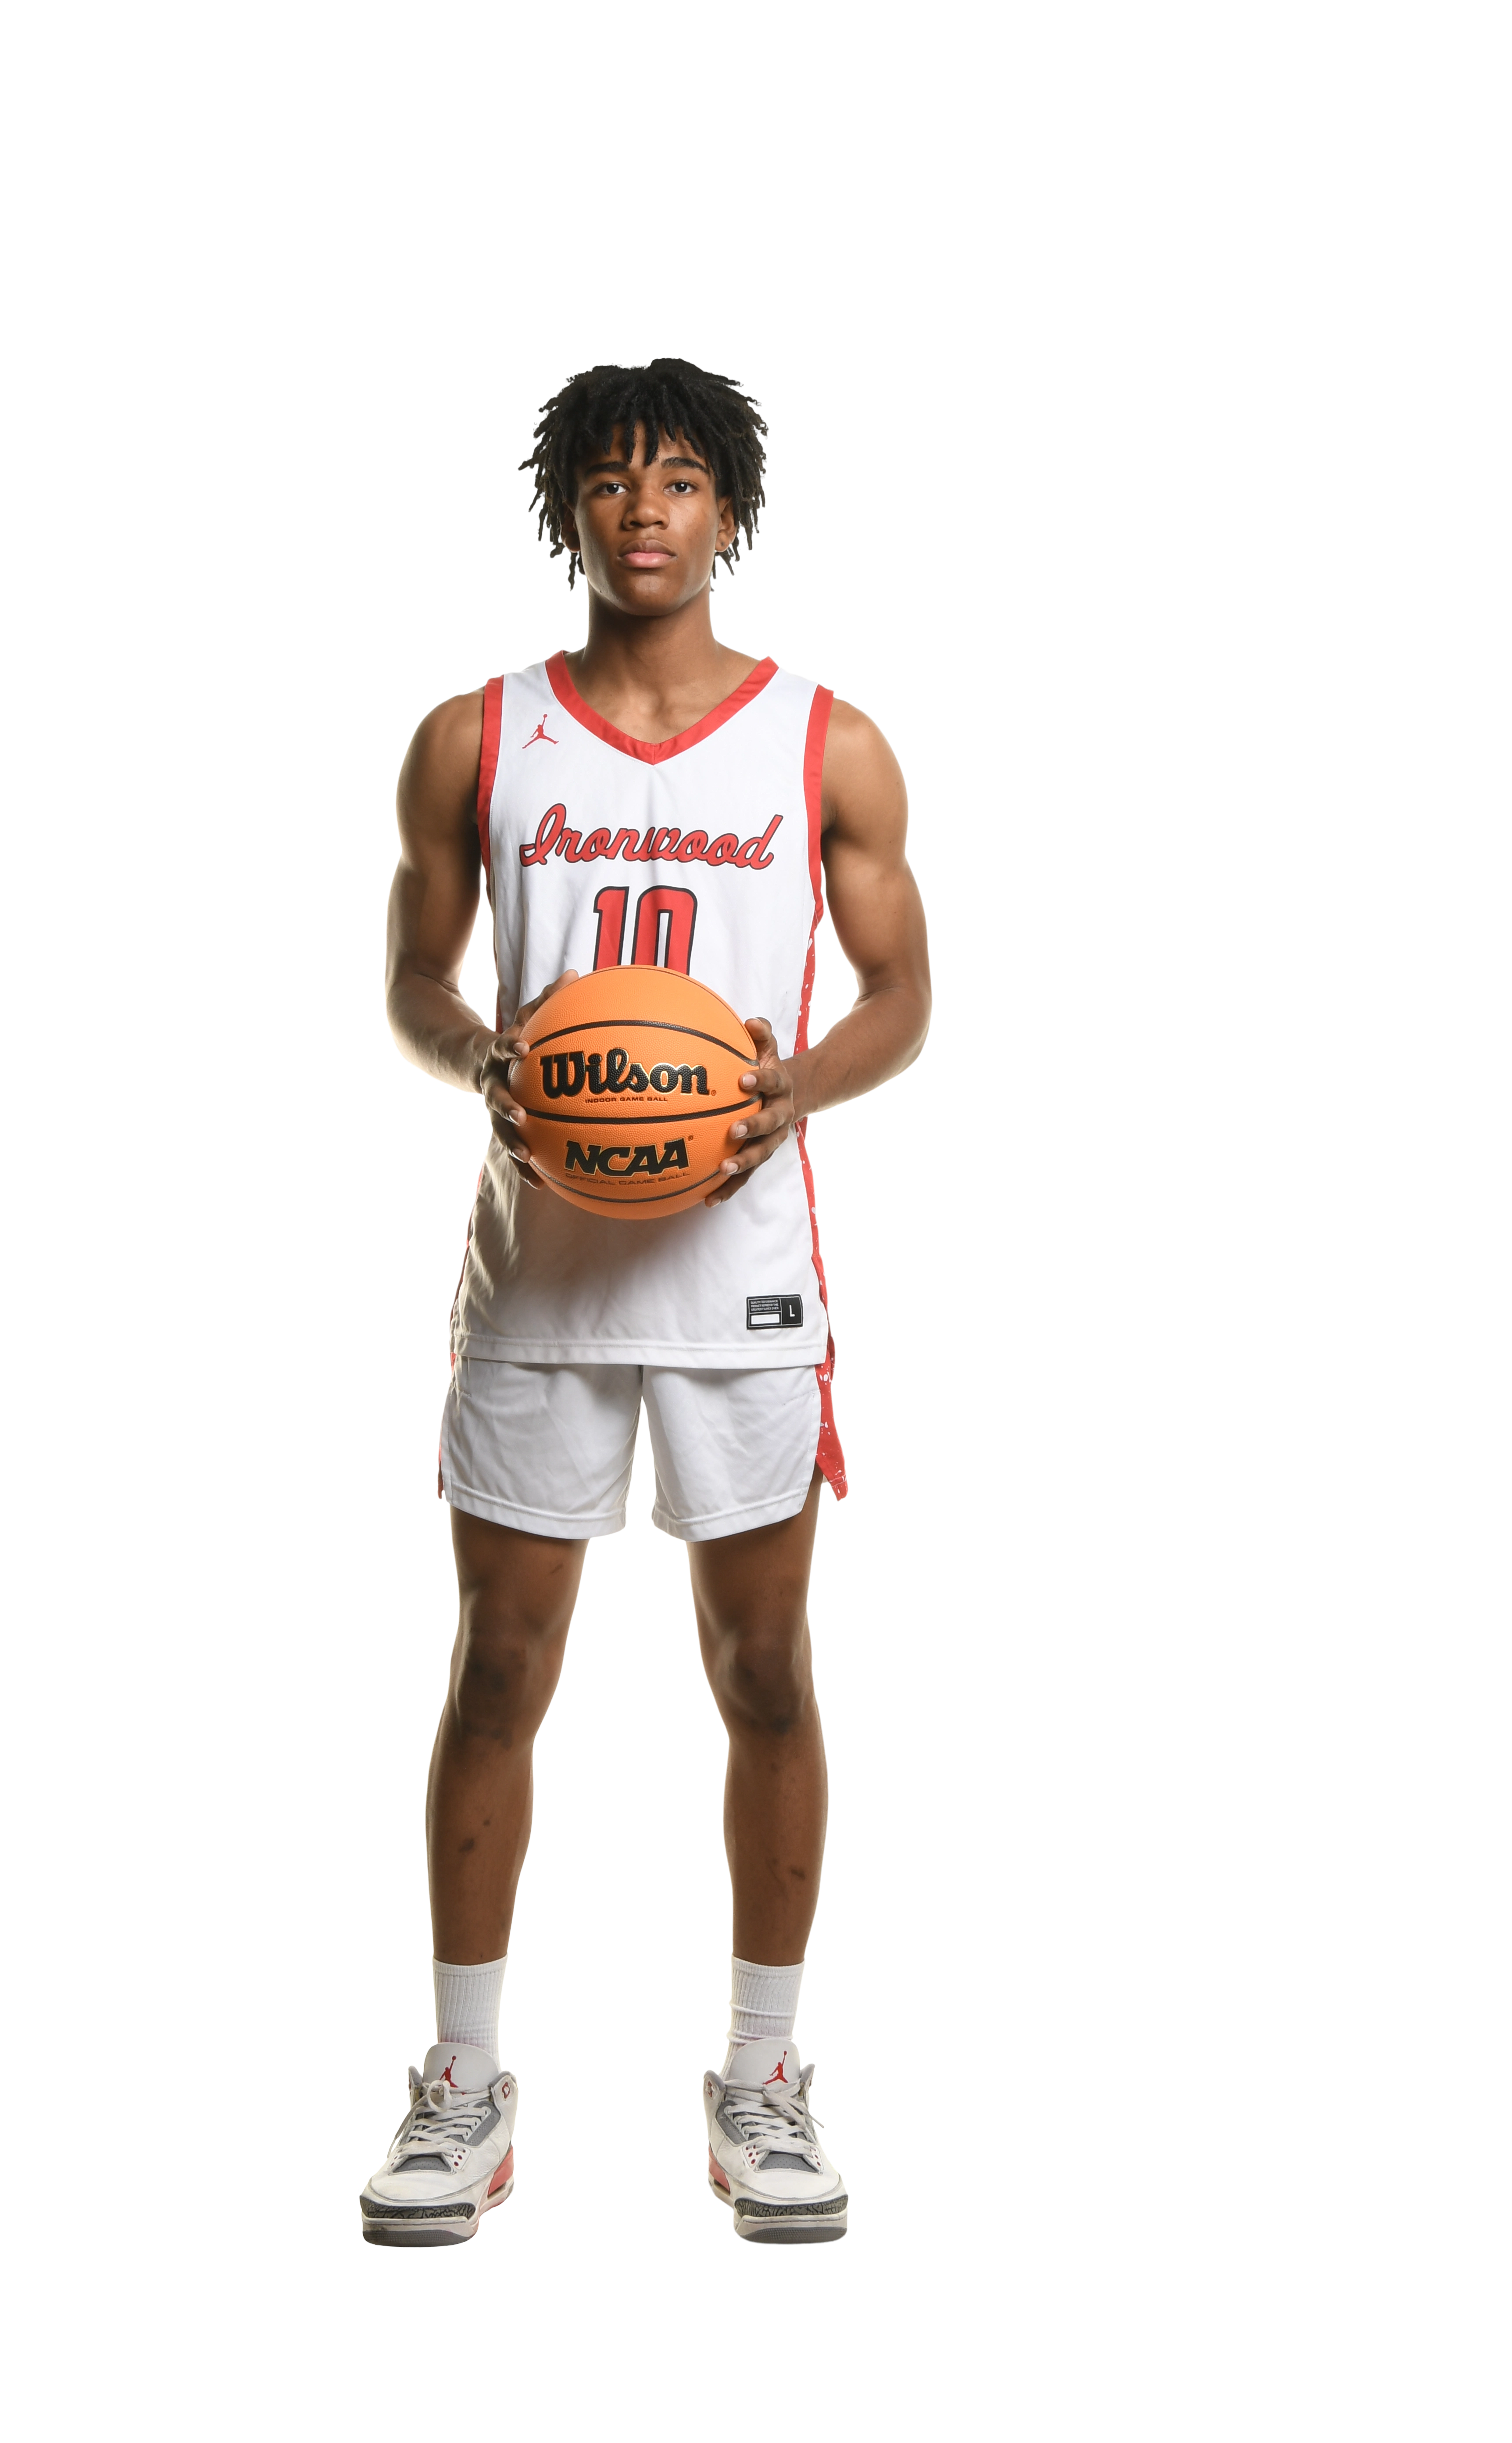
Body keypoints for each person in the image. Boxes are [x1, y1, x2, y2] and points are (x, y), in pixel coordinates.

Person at [360, 358, 931, 2252]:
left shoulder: (829, 743)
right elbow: (416, 977)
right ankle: (464, 2094)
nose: (644, 510)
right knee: (497, 1670)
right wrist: (479, 1057)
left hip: (740, 1279)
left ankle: (762, 2080)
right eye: (608, 479)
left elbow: (902, 995)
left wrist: (797, 1086)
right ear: (565, 513)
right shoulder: (476, 737)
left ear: (730, 514)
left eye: (680, 479)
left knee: (765, 1672)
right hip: (538, 1270)